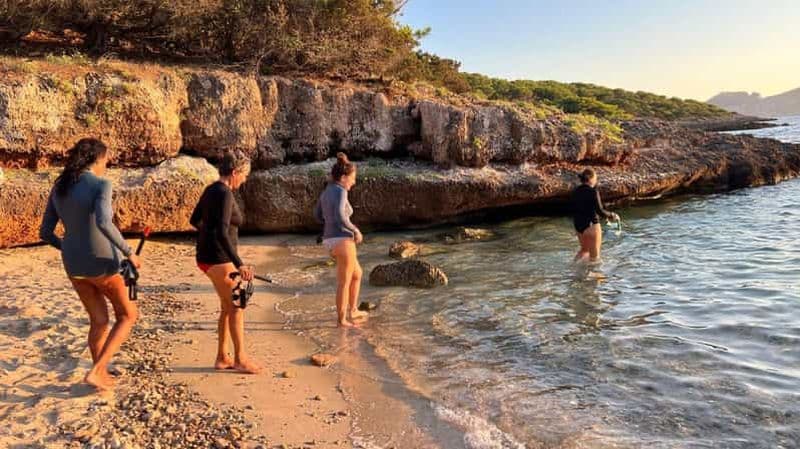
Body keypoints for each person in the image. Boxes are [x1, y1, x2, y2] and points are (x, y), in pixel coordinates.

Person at [39, 138, 141, 391]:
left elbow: (45, 232)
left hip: (73, 264)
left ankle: (101, 371)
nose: (107, 164)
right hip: (101, 262)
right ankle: (97, 370)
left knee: (98, 320)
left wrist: (68, 247)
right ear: (97, 158)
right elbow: (105, 223)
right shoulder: (101, 185)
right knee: (128, 315)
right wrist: (129, 252)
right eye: (106, 159)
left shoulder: (60, 187)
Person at [190, 151, 261, 374]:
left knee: (226, 306)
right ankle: (240, 359)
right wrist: (239, 264)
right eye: (245, 175)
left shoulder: (211, 190)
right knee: (237, 307)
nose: (245, 179)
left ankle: (222, 357)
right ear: (234, 173)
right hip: (218, 258)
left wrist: (208, 237)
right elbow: (221, 230)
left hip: (207, 256)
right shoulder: (225, 194)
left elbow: (195, 220)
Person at [314, 153, 368, 328]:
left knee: (357, 274)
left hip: (330, 239)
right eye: (352, 178)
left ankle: (353, 310)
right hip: (343, 240)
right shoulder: (341, 190)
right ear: (344, 177)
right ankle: (342, 320)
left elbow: (317, 215)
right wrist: (355, 230)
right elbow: (339, 215)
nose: (354, 182)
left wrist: (328, 225)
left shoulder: (326, 191)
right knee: (344, 282)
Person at [572, 168, 619, 263]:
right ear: (591, 178)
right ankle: (595, 277)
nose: (596, 180)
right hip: (591, 225)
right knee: (594, 258)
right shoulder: (593, 192)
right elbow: (600, 210)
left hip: (578, 226)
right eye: (595, 178)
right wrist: (612, 215)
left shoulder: (575, 191)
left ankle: (572, 271)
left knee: (584, 250)